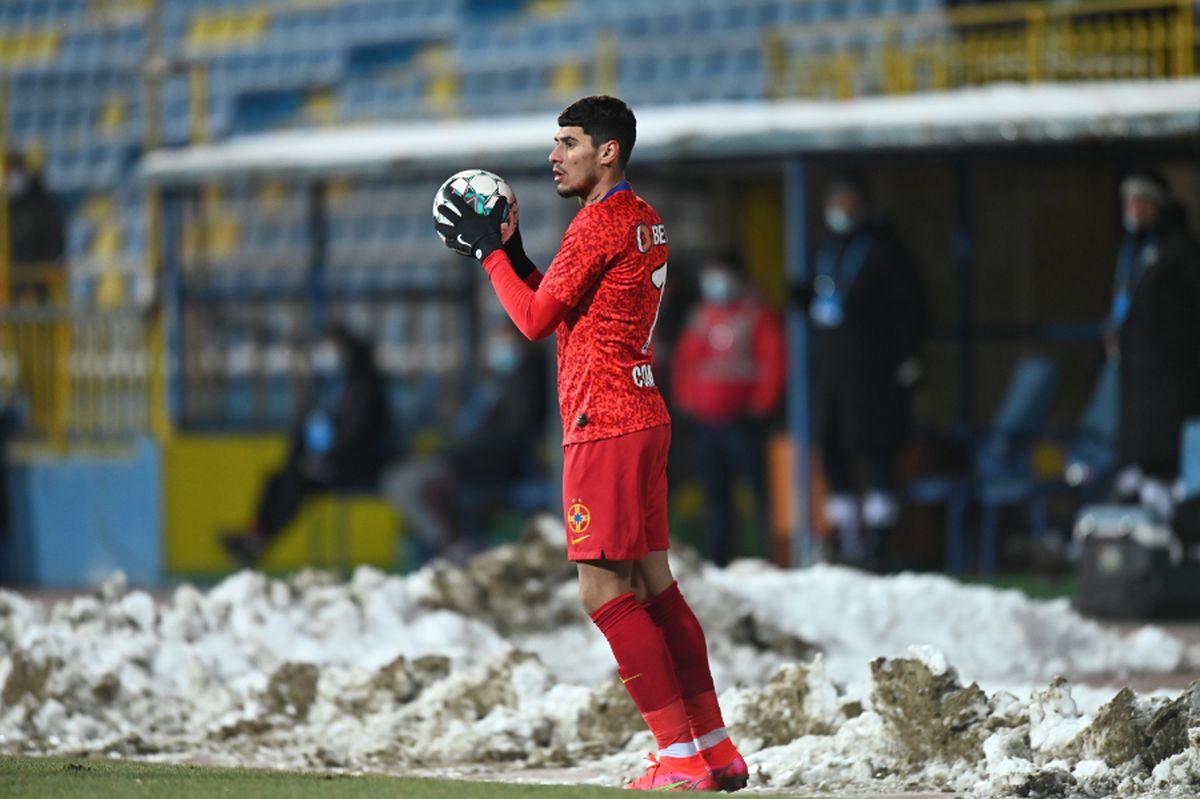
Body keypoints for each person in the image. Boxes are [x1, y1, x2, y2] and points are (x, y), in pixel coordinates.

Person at [435, 96, 745, 793]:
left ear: (608, 151)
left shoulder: (596, 222)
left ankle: (677, 757)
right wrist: (516, 253)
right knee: (655, 588)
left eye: (569, 142)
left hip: (601, 424)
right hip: (642, 410)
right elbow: (575, 301)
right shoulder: (641, 219)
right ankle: (716, 750)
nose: (554, 155)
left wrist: (490, 257)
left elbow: (536, 319)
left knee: (603, 591)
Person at [794, 174, 926, 569]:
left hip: (873, 376)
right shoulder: (826, 249)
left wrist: (908, 357)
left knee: (877, 453)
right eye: (836, 202)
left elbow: (911, 308)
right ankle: (847, 539)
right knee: (833, 452)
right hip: (831, 376)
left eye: (849, 202)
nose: (841, 210)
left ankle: (881, 544)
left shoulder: (885, 251)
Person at [222, 323, 392, 567]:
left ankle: (256, 541)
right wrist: (301, 457)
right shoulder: (325, 385)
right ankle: (255, 535)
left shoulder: (364, 385)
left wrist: (329, 458)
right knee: (277, 479)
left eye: (331, 349)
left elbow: (358, 432)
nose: (325, 356)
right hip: (319, 464)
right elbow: (304, 427)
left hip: (353, 464)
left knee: (295, 483)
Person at [382, 326, 548, 562]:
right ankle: (452, 542)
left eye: (504, 341)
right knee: (402, 478)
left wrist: (466, 447)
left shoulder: (526, 380)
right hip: (471, 457)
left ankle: (452, 544)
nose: (498, 349)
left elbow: (511, 432)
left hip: (485, 461)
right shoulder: (503, 380)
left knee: (405, 482)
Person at [671, 254, 785, 565]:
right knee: (716, 496)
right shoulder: (701, 315)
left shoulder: (756, 314)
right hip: (708, 423)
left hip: (745, 422)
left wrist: (761, 407)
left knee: (761, 493)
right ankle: (719, 558)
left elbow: (773, 362)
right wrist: (686, 402)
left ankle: (772, 555)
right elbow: (687, 362)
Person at [1109, 172, 1200, 515]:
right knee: (1140, 473)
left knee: (1168, 472)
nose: (1132, 210)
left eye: (1139, 201)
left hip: (1173, 387)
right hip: (1138, 385)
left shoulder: (1179, 250)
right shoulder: (1133, 252)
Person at [6, 149, 65, 302]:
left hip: (40, 280)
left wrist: (52, 264)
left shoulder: (43, 203)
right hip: (14, 281)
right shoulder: (10, 205)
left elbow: (54, 239)